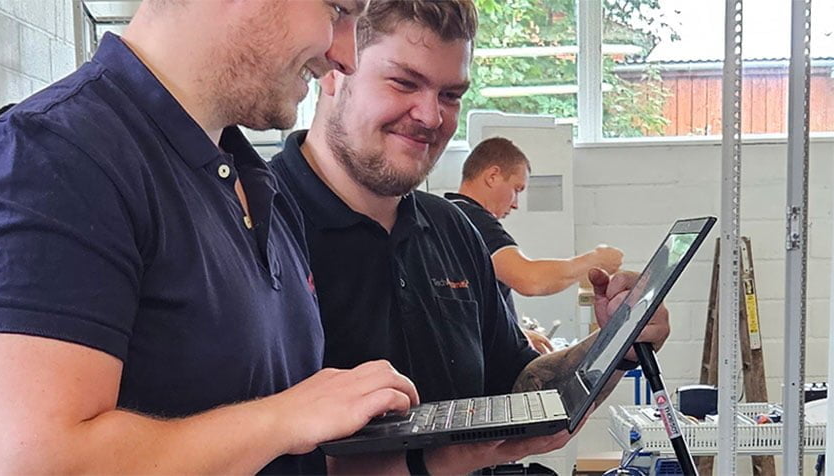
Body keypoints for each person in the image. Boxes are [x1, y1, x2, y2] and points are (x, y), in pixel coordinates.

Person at [0, 1, 421, 474]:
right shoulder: (45, 162)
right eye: (337, 11)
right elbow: (19, 467)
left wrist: (430, 459)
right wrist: (285, 418)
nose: (346, 57)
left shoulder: (254, 185)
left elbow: (267, 457)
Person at [269, 0, 669, 472]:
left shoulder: (453, 230)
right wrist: (432, 462)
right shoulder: (254, 224)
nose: (430, 116)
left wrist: (617, 344)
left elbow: (517, 389)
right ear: (335, 69)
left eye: (451, 95)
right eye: (404, 82)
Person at [446, 137, 623, 351]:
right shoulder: (473, 219)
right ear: (493, 176)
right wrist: (594, 261)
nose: (515, 204)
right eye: (516, 189)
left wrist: (514, 332)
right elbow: (530, 280)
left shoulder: (448, 215)